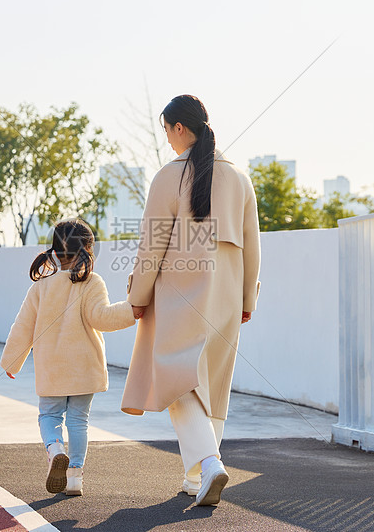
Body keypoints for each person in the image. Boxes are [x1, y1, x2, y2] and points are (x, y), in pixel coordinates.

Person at [121, 94, 261, 506]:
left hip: (180, 293)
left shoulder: (169, 175)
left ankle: (211, 464)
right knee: (212, 384)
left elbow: (152, 246)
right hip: (227, 294)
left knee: (178, 380)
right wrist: (247, 296)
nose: (167, 139)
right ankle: (193, 478)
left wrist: (138, 296)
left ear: (180, 128)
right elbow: (253, 244)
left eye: (167, 130)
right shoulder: (239, 177)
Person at [1, 218, 138, 496]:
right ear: (88, 250)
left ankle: (54, 449)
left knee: (49, 416)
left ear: (54, 251)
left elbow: (23, 326)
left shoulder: (41, 287)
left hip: (52, 367)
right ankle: (75, 477)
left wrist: (12, 361)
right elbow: (102, 318)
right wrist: (131, 310)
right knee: (78, 420)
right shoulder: (92, 282)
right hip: (84, 368)